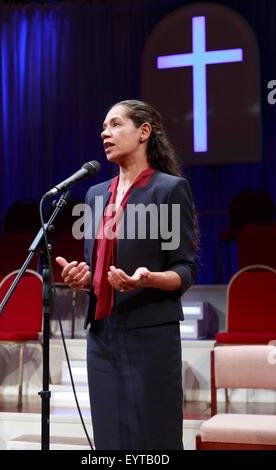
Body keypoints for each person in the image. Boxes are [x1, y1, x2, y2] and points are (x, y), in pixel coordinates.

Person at [56, 99, 198, 450]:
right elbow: (98, 268)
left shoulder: (168, 189)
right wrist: (84, 278)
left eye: (116, 124)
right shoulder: (94, 195)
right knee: (110, 440)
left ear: (144, 132)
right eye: (104, 127)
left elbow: (186, 269)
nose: (106, 133)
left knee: (154, 440)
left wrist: (147, 279)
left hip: (150, 337)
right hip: (102, 337)